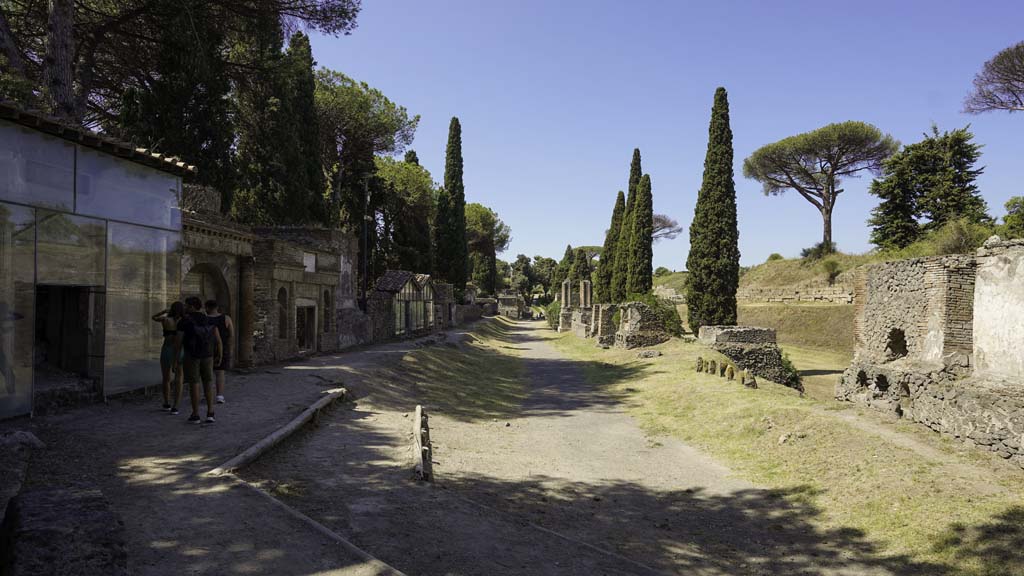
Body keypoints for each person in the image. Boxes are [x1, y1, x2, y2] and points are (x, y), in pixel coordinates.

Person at [174, 297, 222, 424]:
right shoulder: (208, 319)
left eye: (186, 305)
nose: (184, 307)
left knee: (194, 383)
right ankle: (210, 413)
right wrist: (219, 355)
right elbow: (217, 340)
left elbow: (178, 343)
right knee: (208, 382)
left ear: (192, 307)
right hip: (208, 355)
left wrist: (176, 359)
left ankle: (195, 414)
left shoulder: (184, 321)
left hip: (192, 355)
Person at [152, 302, 185, 413]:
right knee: (179, 379)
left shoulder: (166, 320)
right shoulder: (183, 321)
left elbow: (154, 317)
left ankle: (167, 403)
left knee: (166, 378)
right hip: (180, 350)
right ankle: (176, 405)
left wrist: (164, 311)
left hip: (167, 348)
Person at [204, 300, 233, 404]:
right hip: (223, 347)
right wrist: (228, 347)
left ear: (207, 307)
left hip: (207, 348)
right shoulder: (226, 318)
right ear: (217, 307)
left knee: (208, 373)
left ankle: (208, 394)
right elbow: (231, 334)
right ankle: (220, 396)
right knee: (220, 373)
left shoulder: (205, 319)